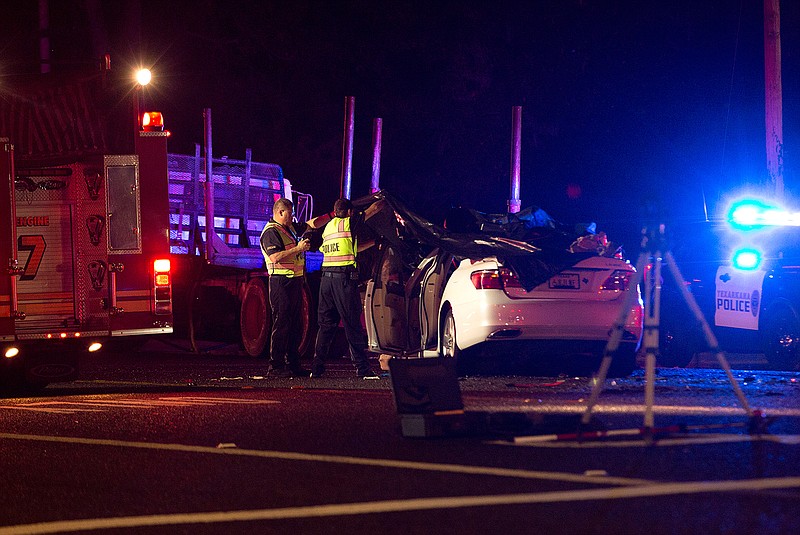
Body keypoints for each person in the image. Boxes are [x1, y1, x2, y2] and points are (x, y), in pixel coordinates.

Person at [311, 198, 385, 378]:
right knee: (353, 325)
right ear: (349, 212)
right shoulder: (348, 223)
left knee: (326, 326)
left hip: (326, 281)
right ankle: (363, 369)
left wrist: (374, 243)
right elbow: (373, 210)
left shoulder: (329, 228)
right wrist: (386, 199)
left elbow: (352, 248)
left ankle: (317, 369)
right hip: (343, 281)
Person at [260, 198, 332, 377]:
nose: (293, 217)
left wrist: (330, 215)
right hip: (280, 283)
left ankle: (293, 365)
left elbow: (311, 224)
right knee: (282, 324)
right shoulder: (271, 232)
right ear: (280, 212)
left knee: (295, 326)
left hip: (295, 282)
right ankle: (275, 367)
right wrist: (298, 249)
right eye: (290, 214)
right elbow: (275, 257)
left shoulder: (288, 228)